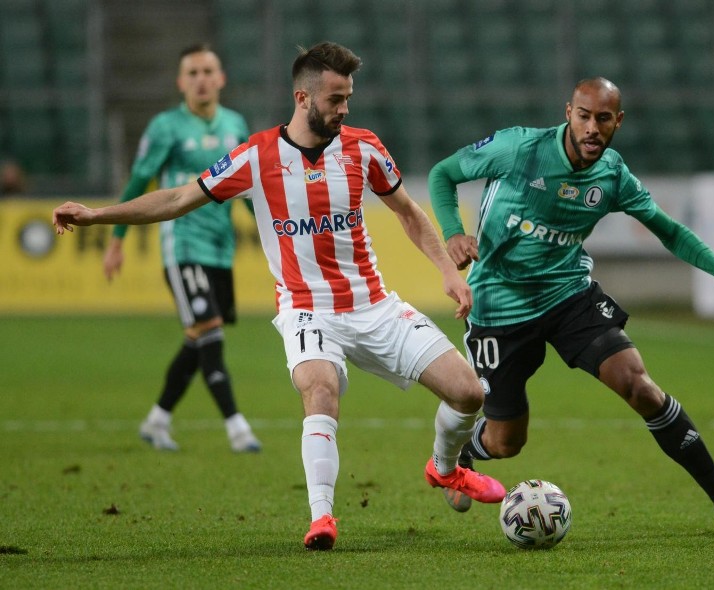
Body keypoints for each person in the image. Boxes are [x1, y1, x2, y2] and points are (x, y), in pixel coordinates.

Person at [53, 41, 506, 551]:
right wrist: (97, 215)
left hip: (373, 303)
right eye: (336, 99)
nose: (345, 109)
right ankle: (322, 518)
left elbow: (407, 212)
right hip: (306, 307)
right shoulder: (257, 156)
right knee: (319, 388)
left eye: (348, 97)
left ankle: (444, 469)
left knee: (469, 393)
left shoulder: (364, 148)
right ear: (303, 97)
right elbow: (178, 197)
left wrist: (447, 270)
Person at [428, 77, 714, 535]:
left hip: (567, 294)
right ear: (568, 112)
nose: (593, 128)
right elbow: (442, 174)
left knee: (641, 387)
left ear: (618, 121)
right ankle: (468, 452)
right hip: (499, 307)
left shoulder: (612, 175)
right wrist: (454, 231)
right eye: (584, 116)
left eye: (604, 119)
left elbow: (667, 228)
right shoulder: (519, 148)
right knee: (507, 442)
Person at [102, 43, 261, 454]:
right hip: (183, 245)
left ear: (222, 78)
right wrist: (116, 239)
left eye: (208, 71)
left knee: (200, 336)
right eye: (192, 73)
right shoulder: (165, 127)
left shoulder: (236, 124)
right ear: (180, 82)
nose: (201, 79)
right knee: (208, 328)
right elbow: (139, 182)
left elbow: (246, 188)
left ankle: (157, 420)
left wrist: (269, 231)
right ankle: (237, 427)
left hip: (220, 248)